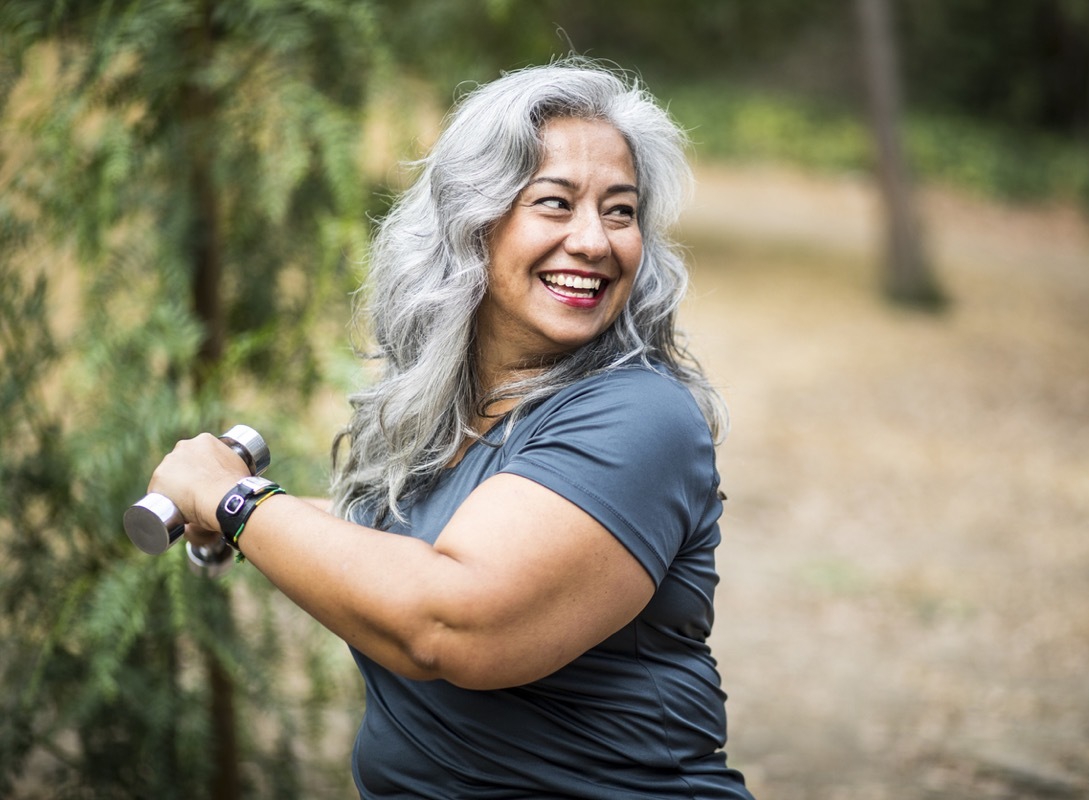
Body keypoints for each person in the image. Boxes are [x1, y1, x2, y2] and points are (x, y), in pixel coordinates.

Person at [148, 58, 754, 799]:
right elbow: (406, 539)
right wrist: (231, 511)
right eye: (556, 203)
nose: (595, 241)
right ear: (473, 221)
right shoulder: (461, 412)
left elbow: (451, 623)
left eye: (620, 211)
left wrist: (237, 503)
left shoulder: (639, 415)